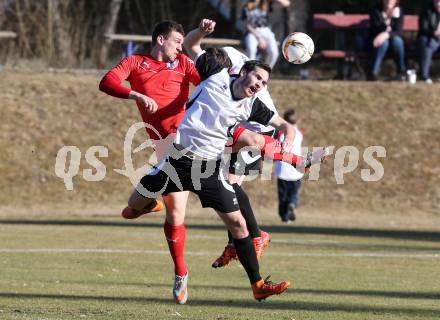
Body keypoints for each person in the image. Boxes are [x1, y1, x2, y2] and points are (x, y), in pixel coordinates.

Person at [126, 18, 298, 303]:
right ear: (242, 72)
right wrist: (202, 32)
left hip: (207, 169)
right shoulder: (215, 75)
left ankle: (257, 285)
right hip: (177, 161)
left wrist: (289, 132)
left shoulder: (253, 105)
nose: (258, 84)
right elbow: (192, 45)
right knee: (130, 209)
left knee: (239, 226)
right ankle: (149, 205)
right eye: (256, 78)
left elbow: (281, 122)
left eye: (264, 82)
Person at [99, 21, 201, 304]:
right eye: (177, 41)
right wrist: (136, 94)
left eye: (182, 42)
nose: (180, 47)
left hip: (189, 143)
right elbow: (106, 82)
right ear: (160, 39)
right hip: (164, 147)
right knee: (132, 211)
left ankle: (181, 273)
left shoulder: (183, 63)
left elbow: (209, 83)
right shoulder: (135, 62)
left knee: (176, 214)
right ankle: (149, 204)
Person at [241, 0, 290, 68]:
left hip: (266, 31)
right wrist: (259, 38)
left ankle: (265, 71)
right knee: (251, 49)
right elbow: (247, 25)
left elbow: (286, 3)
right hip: (252, 32)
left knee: (274, 53)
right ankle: (251, 70)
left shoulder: (266, 4)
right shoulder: (246, 7)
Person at [275, 109, 304, 224]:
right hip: (296, 169)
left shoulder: (281, 134)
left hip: (283, 170)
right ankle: (292, 204)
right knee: (293, 192)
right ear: (297, 121)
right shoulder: (299, 134)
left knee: (282, 195)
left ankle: (284, 217)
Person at [368, 0, 406, 81]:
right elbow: (375, 30)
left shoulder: (399, 11)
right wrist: (386, 21)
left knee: (397, 41)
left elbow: (399, 31)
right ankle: (373, 73)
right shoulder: (376, 10)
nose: (389, 1)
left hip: (393, 44)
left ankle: (401, 73)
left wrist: (386, 34)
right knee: (383, 43)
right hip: (377, 43)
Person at [417, 0, 440, 84]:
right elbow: (423, 28)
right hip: (429, 38)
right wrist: (434, 33)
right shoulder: (427, 9)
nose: (439, 4)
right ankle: (424, 76)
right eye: (437, 1)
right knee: (428, 46)